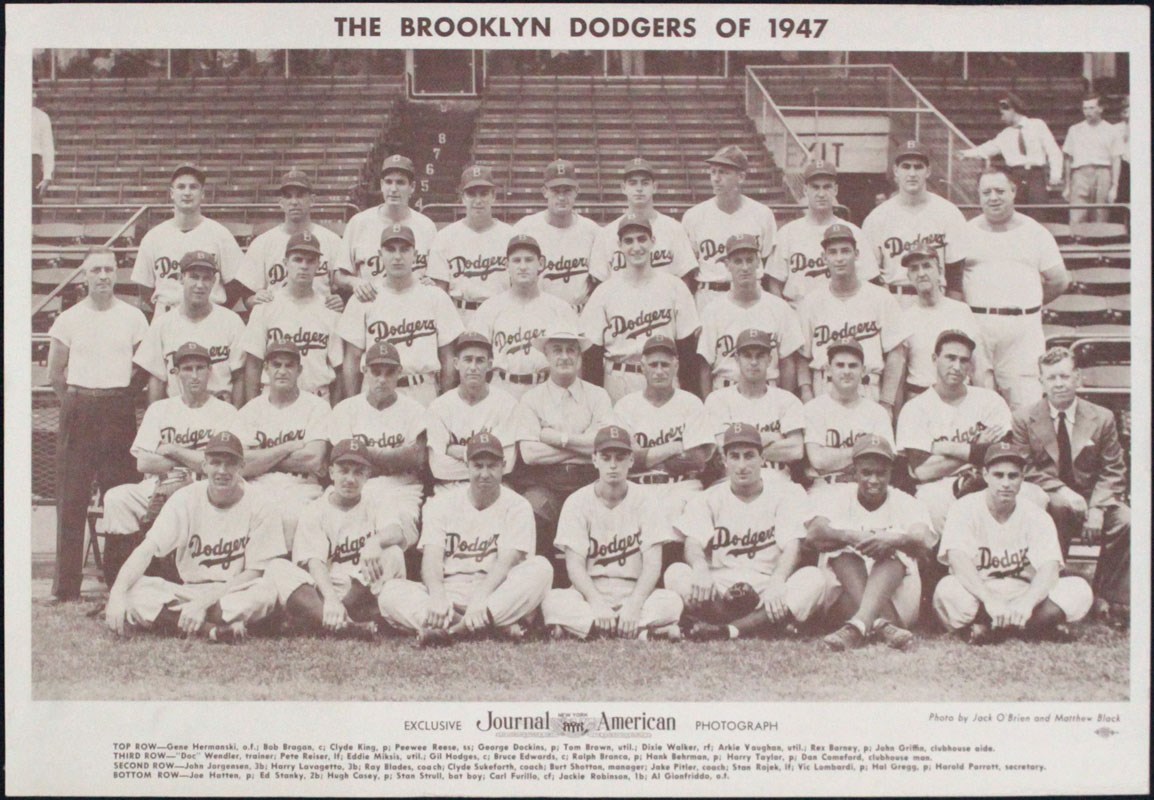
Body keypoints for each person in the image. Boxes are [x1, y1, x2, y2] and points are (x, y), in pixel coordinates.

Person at [103, 431, 284, 643]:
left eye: (230, 463)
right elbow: (148, 549)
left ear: (241, 467)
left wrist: (203, 604)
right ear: (204, 466)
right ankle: (213, 629)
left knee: (265, 593)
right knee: (135, 590)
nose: (222, 471)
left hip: (232, 591)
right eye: (215, 463)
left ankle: (182, 620)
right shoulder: (186, 498)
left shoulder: (261, 503)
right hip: (189, 590)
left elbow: (255, 572)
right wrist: (117, 593)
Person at [378, 433, 554, 646]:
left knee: (541, 569)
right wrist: (437, 595)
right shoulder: (442, 503)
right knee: (390, 592)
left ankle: (453, 631)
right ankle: (491, 626)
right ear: (467, 466)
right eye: (478, 466)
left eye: (492, 466)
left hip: (495, 592)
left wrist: (481, 600)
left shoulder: (517, 505)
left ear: (504, 466)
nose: (485, 473)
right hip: (452, 591)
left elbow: (507, 562)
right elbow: (431, 559)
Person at [47, 248, 149, 602]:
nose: (103, 276)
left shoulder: (133, 317)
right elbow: (54, 373)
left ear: (117, 273)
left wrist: (117, 399)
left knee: (120, 495)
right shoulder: (69, 319)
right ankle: (65, 588)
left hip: (118, 409)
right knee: (71, 496)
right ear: (84, 276)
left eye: (109, 269)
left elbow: (143, 367)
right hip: (79, 407)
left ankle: (120, 583)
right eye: (96, 270)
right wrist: (79, 403)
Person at [666, 423, 828, 641]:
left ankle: (725, 629)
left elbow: (792, 546)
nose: (742, 465)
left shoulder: (784, 494)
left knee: (814, 578)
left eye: (749, 456)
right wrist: (700, 568)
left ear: (762, 459)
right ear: (724, 461)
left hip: (766, 584)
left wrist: (778, 580)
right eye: (735, 456)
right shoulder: (708, 498)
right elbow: (693, 543)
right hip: (720, 586)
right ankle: (761, 625)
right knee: (675, 572)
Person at [99, 342, 242, 585]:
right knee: (116, 498)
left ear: (210, 371)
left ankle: (168, 578)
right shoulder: (160, 409)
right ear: (175, 374)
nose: (194, 375)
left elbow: (221, 464)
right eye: (187, 369)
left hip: (203, 487)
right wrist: (195, 459)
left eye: (200, 368)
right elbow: (143, 462)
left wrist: (174, 449)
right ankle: (119, 587)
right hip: (156, 484)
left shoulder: (225, 412)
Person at [1012, 347, 1129, 625]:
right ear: (1041, 382)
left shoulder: (1102, 417)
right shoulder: (1024, 418)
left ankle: (1106, 597)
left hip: (1095, 498)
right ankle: (1051, 593)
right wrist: (1062, 491)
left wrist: (1098, 508)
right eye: (1051, 378)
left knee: (1127, 521)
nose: (1059, 384)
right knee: (1058, 508)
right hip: (1053, 497)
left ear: (1077, 378)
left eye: (1064, 376)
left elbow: (1114, 469)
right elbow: (1024, 467)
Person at [933, 442, 1094, 644]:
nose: (1006, 483)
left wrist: (1027, 603)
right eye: (998, 475)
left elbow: (1049, 568)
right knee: (947, 590)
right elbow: (958, 562)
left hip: (1026, 594)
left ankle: (991, 630)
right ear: (985, 475)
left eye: (1013, 476)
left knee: (1079, 589)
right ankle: (1036, 628)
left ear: (1022, 478)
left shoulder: (1036, 514)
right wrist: (989, 600)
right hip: (981, 594)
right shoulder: (964, 508)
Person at [542, 425, 684, 640]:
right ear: (594, 460)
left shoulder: (647, 500)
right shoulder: (577, 501)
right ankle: (640, 632)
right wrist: (597, 604)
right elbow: (575, 566)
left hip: (633, 589)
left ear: (631, 461)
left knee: (671, 602)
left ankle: (592, 630)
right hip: (591, 591)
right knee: (553, 601)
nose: (613, 465)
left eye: (620, 457)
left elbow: (653, 564)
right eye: (606, 457)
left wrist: (634, 606)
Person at [948, 167, 1071, 413]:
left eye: (1000, 191)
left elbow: (1059, 280)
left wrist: (1028, 304)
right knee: (978, 405)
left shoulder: (1035, 232)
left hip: (1023, 331)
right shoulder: (965, 232)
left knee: (1027, 406)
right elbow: (954, 287)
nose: (993, 197)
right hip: (978, 327)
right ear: (979, 196)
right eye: (986, 192)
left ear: (1014, 191)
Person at [263, 439, 409, 640]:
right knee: (277, 567)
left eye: (358, 472)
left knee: (392, 552)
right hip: (326, 588)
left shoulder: (378, 501)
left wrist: (374, 542)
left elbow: (396, 531)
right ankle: (348, 624)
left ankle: (326, 621)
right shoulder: (315, 510)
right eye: (344, 470)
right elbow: (315, 562)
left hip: (363, 587)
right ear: (331, 472)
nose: (350, 479)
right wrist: (331, 599)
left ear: (368, 475)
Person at [805, 435, 936, 651]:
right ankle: (879, 624)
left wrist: (893, 539)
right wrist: (851, 536)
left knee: (893, 553)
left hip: (897, 599)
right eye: (866, 472)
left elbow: (923, 540)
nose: (873, 480)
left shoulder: (906, 501)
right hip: (844, 597)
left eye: (880, 473)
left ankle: (858, 625)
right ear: (854, 471)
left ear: (891, 472)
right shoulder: (836, 497)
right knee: (841, 554)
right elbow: (814, 534)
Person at [897, 330, 1013, 534]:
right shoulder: (915, 408)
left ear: (970, 366)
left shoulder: (990, 401)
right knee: (930, 504)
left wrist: (947, 448)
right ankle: (942, 566)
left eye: (964, 360)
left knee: (1032, 497)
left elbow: (1001, 454)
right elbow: (923, 471)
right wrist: (977, 450)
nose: (957, 367)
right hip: (938, 486)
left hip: (986, 479)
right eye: (950, 358)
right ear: (935, 359)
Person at [514, 329, 613, 564]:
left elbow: (605, 446)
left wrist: (556, 438)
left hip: (589, 480)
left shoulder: (598, 396)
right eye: (557, 350)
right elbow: (530, 454)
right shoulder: (531, 399)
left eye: (571, 350)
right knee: (531, 509)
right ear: (546, 356)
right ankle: (539, 578)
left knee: (609, 509)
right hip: (545, 482)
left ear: (579, 357)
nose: (565, 357)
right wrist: (584, 445)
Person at [337, 224, 464, 407]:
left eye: (404, 250)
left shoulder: (435, 296)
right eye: (390, 250)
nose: (397, 257)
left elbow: (448, 358)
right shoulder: (364, 298)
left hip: (422, 390)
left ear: (415, 254)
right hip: (375, 392)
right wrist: (353, 406)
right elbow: (352, 359)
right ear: (380, 254)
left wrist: (446, 403)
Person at [581, 214, 701, 402]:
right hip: (619, 377)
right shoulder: (605, 292)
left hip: (664, 377)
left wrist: (691, 397)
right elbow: (592, 355)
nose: (636, 247)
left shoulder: (675, 287)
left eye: (641, 239)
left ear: (653, 241)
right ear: (619, 246)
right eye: (628, 241)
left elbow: (686, 350)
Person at [319, 340, 428, 549]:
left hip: (401, 489)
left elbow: (415, 459)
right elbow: (341, 457)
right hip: (358, 487)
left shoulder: (414, 410)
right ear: (364, 371)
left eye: (389, 373)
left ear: (399, 373)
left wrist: (361, 454)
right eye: (376, 372)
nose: (382, 379)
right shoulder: (346, 409)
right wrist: (394, 457)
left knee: (397, 531)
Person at [795, 224, 910, 408]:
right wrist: (807, 394)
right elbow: (802, 357)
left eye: (845, 251)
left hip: (868, 386)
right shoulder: (811, 302)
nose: (839, 258)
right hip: (824, 386)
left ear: (856, 254)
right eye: (833, 252)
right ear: (824, 257)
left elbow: (896, 354)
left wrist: (887, 403)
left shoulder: (880, 297)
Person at [611, 336, 715, 536]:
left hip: (682, 487)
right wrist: (675, 447)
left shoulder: (691, 403)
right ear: (643, 367)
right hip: (639, 488)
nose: (659, 371)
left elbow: (697, 460)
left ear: (676, 366)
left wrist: (645, 457)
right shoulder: (625, 406)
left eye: (665, 364)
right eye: (653, 364)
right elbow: (625, 461)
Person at [235, 340, 329, 550]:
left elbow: (313, 459)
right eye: (276, 364)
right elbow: (242, 465)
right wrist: (286, 448)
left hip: (302, 488)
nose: (282, 371)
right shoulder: (250, 410)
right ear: (266, 369)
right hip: (258, 487)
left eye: (289, 365)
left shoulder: (317, 407)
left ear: (300, 370)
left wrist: (261, 458)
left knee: (292, 517)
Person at [861, 141, 971, 308]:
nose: (912, 173)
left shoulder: (948, 212)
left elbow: (955, 276)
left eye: (918, 167)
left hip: (936, 300)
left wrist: (950, 312)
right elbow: (869, 275)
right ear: (896, 171)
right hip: (894, 300)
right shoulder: (877, 217)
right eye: (906, 166)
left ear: (928, 171)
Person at [240, 231, 344, 403]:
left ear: (319, 265)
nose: (304, 266)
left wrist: (335, 412)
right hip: (272, 400)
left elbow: (338, 369)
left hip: (317, 399)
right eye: (297, 259)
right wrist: (253, 409)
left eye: (310, 261)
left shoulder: (329, 310)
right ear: (285, 263)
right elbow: (253, 365)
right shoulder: (265, 307)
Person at [130, 163, 246, 317]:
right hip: (167, 316)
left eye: (193, 187)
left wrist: (215, 310)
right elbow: (145, 287)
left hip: (209, 316)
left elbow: (236, 283)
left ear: (202, 193)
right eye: (181, 187)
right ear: (172, 193)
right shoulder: (153, 237)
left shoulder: (220, 234)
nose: (187, 192)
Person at [472, 234, 578, 399]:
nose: (522, 266)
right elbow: (476, 357)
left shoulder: (560, 308)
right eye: (516, 260)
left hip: (546, 389)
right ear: (507, 265)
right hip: (502, 389)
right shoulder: (490, 308)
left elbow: (577, 360)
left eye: (529, 260)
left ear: (540, 264)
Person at [133, 250, 247, 406]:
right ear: (181, 278)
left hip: (220, 411)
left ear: (214, 281)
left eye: (206, 278)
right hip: (178, 413)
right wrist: (158, 420)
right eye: (194, 277)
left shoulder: (231, 322)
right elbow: (157, 380)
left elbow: (239, 376)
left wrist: (235, 419)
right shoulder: (163, 324)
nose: (200, 285)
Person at [697, 234, 804, 396]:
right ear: (727, 265)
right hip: (725, 390)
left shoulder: (779, 308)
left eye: (749, 260)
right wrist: (708, 406)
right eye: (738, 261)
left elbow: (787, 363)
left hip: (769, 391)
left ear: (758, 262)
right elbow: (705, 367)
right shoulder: (712, 311)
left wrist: (784, 401)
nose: (745, 267)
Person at [767, 160, 880, 308]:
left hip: (841, 313)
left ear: (836, 190)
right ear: (805, 190)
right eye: (815, 187)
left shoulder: (853, 232)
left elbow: (868, 280)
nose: (821, 194)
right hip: (798, 310)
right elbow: (774, 283)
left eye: (827, 187)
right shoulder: (787, 233)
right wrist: (786, 315)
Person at [702, 329, 806, 484]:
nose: (754, 362)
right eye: (747, 355)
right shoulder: (718, 400)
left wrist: (742, 444)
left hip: (779, 481)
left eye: (760, 355)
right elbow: (723, 450)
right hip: (731, 484)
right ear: (736, 359)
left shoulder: (787, 400)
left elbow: (796, 451)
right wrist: (774, 437)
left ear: (770, 359)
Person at [681, 146, 778, 312]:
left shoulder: (762, 214)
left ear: (740, 177)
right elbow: (687, 272)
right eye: (713, 172)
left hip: (752, 296)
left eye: (723, 172)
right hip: (709, 295)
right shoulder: (694, 216)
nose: (716, 178)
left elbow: (769, 267)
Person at [234, 169, 346, 310]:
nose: (294, 202)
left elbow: (345, 288)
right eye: (288, 197)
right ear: (281, 202)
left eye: (300, 196)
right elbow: (247, 294)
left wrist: (342, 300)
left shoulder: (332, 241)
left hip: (319, 319)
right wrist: (253, 300)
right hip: (277, 319)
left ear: (312, 200)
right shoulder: (262, 243)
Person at [801, 338, 895, 502]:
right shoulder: (813, 409)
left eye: (853, 365)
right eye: (840, 365)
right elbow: (818, 460)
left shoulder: (877, 412)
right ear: (828, 370)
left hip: (868, 490)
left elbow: (882, 462)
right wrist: (865, 451)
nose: (846, 371)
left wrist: (832, 457)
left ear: (863, 370)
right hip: (826, 489)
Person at [425, 332, 521, 491]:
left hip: (494, 489)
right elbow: (438, 468)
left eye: (480, 360)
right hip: (449, 489)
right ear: (456, 363)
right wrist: (489, 463)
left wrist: (457, 451)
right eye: (468, 360)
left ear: (490, 365)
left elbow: (507, 464)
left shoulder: (506, 403)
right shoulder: (439, 406)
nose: (473, 367)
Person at [337, 154, 439, 298]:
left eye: (400, 182)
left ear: (412, 187)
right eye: (388, 182)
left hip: (414, 308)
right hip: (372, 304)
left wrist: (431, 281)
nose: (393, 188)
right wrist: (355, 282)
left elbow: (436, 275)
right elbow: (339, 274)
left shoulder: (426, 226)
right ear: (381, 185)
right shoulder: (359, 222)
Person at [897, 244, 992, 397]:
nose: (921, 273)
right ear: (908, 277)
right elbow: (898, 378)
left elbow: (978, 367)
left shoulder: (961, 311)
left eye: (927, 266)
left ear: (940, 271)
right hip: (919, 396)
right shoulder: (904, 317)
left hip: (958, 396)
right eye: (914, 269)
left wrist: (984, 405)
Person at [426, 165, 515, 325]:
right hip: (460, 315)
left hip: (502, 314)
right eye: (472, 194)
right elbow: (440, 291)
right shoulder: (445, 237)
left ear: (493, 196)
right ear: (462, 197)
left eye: (484, 193)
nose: (478, 200)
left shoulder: (510, 236)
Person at [587, 158, 696, 285]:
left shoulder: (674, 228)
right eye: (633, 183)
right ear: (623, 188)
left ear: (654, 187)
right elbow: (599, 282)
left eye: (645, 183)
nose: (639, 188)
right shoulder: (607, 233)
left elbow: (686, 277)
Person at [512, 160, 602, 311]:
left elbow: (599, 281)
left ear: (576, 191)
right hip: (538, 312)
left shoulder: (593, 231)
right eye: (555, 191)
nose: (561, 197)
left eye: (567, 190)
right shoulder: (525, 228)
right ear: (545, 191)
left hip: (579, 312)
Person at [959, 93, 1064, 205]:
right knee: (1017, 211)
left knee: (1038, 210)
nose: (1001, 118)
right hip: (1016, 176)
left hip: (1036, 176)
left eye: (1002, 114)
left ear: (1011, 109)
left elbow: (1053, 150)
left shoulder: (1037, 125)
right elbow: (986, 149)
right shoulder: (1005, 135)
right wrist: (965, 153)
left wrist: (1055, 174)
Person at [1062, 94, 1123, 224]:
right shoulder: (1075, 130)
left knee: (1101, 213)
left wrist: (1114, 187)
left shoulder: (1111, 130)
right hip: (1080, 173)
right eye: (1085, 108)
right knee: (1077, 212)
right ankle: (1077, 241)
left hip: (1103, 172)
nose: (1087, 112)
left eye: (1091, 108)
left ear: (1100, 109)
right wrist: (1067, 185)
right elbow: (1068, 159)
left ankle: (1098, 241)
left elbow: (1116, 159)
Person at [32, 91, 54, 205]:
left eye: (33, 92)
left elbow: (48, 148)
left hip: (33, 166)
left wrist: (47, 176)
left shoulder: (42, 117)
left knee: (33, 210)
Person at [1115, 95, 1130, 204]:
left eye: (1128, 106)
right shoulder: (1115, 129)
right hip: (1122, 169)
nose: (1126, 109)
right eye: (1124, 107)